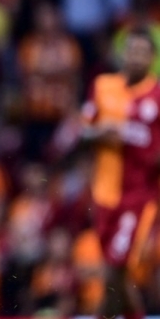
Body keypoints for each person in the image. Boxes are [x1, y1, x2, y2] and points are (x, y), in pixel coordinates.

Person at [79, 28, 160, 319]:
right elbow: (83, 131)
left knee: (115, 268)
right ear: (123, 53)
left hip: (139, 197)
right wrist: (99, 132)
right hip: (103, 195)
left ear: (152, 58)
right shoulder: (103, 86)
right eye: (132, 50)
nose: (136, 57)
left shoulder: (157, 95)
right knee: (118, 275)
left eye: (143, 52)